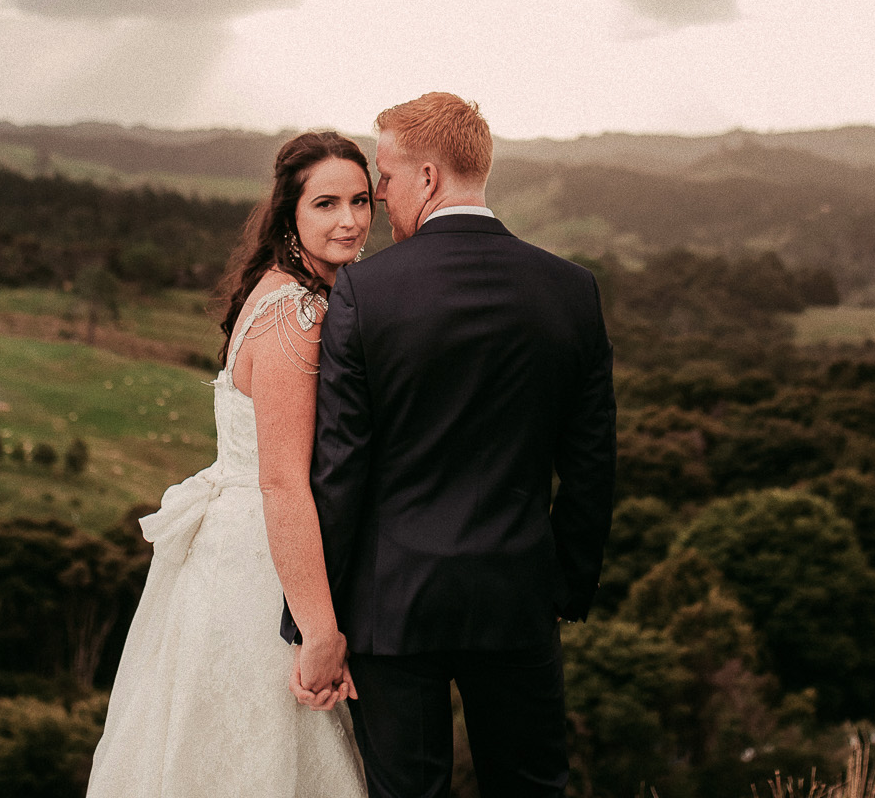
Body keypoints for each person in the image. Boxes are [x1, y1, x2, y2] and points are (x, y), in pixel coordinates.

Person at [290, 92, 617, 798]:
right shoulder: (571, 291)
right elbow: (591, 466)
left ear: (429, 178)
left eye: (386, 176)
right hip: (518, 592)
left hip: (393, 601)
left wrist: (319, 617)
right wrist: (562, 584)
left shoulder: (365, 293)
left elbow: (340, 465)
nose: (379, 194)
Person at [88, 130, 371, 798]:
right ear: (289, 215)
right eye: (327, 203)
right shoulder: (295, 314)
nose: (351, 220)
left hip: (246, 549)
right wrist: (320, 632)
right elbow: (283, 483)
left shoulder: (290, 293)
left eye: (361, 201)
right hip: (260, 567)